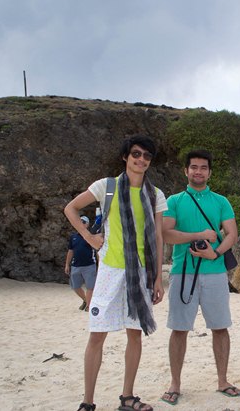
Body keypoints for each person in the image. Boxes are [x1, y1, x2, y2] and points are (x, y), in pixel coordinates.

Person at [64, 135, 166, 411]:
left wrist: (157, 277)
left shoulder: (155, 194)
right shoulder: (106, 187)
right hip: (110, 270)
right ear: (125, 156)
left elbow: (157, 236)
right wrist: (87, 236)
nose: (141, 159)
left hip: (142, 273)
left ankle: (127, 397)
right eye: (136, 154)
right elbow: (71, 208)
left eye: (147, 156)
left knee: (135, 334)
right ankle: (87, 401)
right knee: (97, 335)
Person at [160, 149, 240, 406]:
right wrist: (199, 235)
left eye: (203, 167)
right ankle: (175, 383)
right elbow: (167, 234)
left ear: (209, 172)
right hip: (182, 271)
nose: (198, 171)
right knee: (179, 329)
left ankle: (223, 380)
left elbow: (232, 234)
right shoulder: (174, 201)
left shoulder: (221, 201)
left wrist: (214, 252)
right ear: (186, 171)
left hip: (215, 272)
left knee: (220, 327)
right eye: (193, 167)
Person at [65, 216, 97, 311]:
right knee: (75, 286)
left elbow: (98, 250)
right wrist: (67, 264)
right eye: (79, 221)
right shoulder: (73, 237)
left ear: (87, 224)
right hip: (76, 265)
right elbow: (70, 251)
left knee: (90, 287)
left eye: (83, 222)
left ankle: (88, 306)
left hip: (89, 265)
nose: (81, 223)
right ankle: (85, 300)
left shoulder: (91, 236)